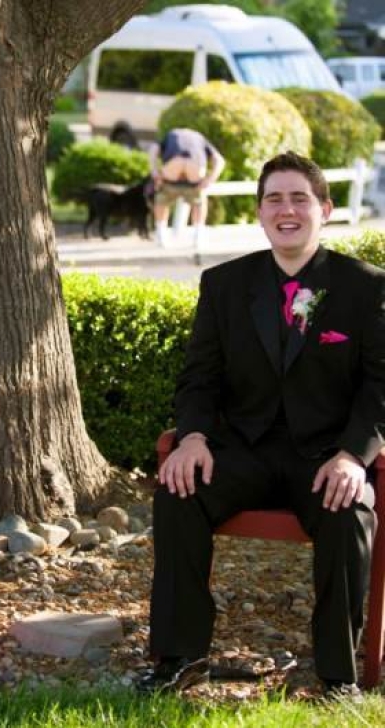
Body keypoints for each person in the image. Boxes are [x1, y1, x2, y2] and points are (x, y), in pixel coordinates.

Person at [139, 152, 385, 699]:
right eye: (274, 198)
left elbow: (379, 386)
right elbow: (198, 378)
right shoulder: (224, 284)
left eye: (300, 198)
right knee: (178, 491)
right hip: (241, 451)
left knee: (349, 512)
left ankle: (337, 676)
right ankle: (178, 659)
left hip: (325, 457)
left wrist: (353, 456)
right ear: (259, 212)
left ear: (324, 209)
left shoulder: (364, 288)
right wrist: (193, 437)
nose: (287, 209)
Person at [149, 127, 225, 248]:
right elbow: (219, 160)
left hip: (173, 166)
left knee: (162, 199)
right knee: (199, 202)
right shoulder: (200, 138)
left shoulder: (171, 134)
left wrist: (154, 172)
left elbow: (153, 149)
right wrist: (209, 180)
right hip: (195, 166)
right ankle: (198, 236)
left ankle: (161, 234)